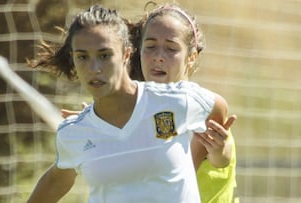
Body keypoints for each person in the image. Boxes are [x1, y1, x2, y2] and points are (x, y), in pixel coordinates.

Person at [27, 5, 229, 203]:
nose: (94, 68)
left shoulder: (178, 101)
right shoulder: (74, 132)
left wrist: (205, 154)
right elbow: (57, 179)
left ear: (126, 54)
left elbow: (218, 108)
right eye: (82, 57)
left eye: (104, 55)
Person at [128, 3, 239, 202]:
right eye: (150, 47)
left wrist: (220, 151)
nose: (158, 57)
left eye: (171, 49)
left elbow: (217, 159)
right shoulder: (133, 108)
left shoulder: (203, 109)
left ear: (191, 57)